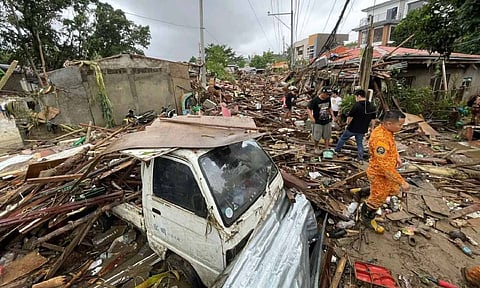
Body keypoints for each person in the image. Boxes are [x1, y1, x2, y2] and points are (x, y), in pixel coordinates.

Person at [361, 110, 410, 233]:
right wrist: (402, 182)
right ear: (388, 123)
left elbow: (392, 146)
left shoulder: (387, 131)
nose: (401, 127)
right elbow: (385, 168)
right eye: (400, 125)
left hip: (384, 171)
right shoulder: (380, 140)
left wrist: (397, 156)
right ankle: (367, 217)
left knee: (392, 190)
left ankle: (362, 192)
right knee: (378, 197)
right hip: (379, 172)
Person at [334, 89, 376, 161]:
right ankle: (360, 157)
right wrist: (372, 128)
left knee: (343, 138)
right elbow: (373, 119)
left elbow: (350, 117)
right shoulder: (371, 106)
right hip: (363, 129)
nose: (356, 98)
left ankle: (337, 150)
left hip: (352, 128)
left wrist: (347, 124)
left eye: (356, 96)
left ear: (359, 96)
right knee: (359, 143)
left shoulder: (357, 105)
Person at [307, 86, 336, 153]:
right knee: (317, 136)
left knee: (327, 135)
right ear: (323, 93)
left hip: (327, 120)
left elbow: (329, 107)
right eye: (327, 94)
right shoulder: (315, 100)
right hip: (317, 121)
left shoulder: (328, 99)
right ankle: (316, 147)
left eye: (329, 95)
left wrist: (332, 115)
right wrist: (311, 117)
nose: (328, 96)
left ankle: (326, 147)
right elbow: (308, 109)